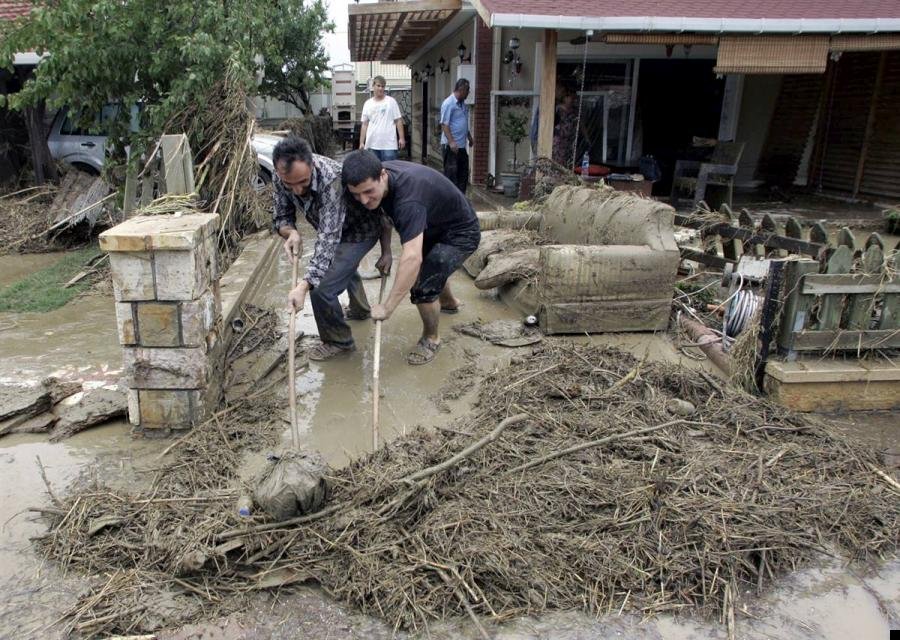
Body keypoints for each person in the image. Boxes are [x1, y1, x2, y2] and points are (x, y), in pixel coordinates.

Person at [341, 150, 481, 365]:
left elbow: (412, 258)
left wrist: (387, 307)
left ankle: (431, 338)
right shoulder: (373, 175)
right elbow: (384, 217)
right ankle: (450, 303)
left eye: (368, 192)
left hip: (460, 232)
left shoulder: (408, 200)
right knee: (432, 270)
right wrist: (387, 252)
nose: (364, 200)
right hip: (434, 224)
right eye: (356, 195)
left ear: (383, 175)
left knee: (422, 286)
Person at [274, 136, 392, 361]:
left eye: (304, 182)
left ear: (312, 164)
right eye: (290, 185)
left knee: (322, 288)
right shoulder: (280, 176)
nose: (297, 191)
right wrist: (291, 232)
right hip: (334, 230)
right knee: (341, 268)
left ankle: (339, 341)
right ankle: (360, 310)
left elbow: (328, 240)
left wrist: (304, 285)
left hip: (361, 231)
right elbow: (281, 216)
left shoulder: (331, 179)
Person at [359, 75, 405, 161]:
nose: (380, 88)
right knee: (374, 172)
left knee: (390, 171)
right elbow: (364, 124)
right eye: (378, 85)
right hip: (372, 144)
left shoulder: (391, 102)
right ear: (373, 86)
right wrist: (361, 142)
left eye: (383, 86)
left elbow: (398, 120)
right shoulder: (367, 104)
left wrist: (402, 138)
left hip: (389, 145)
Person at [439, 78, 473, 194]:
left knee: (463, 174)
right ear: (461, 89)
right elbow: (444, 124)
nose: (469, 92)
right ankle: (451, 201)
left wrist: (469, 136)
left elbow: (462, 122)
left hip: (461, 146)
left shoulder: (463, 104)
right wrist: (451, 141)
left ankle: (461, 200)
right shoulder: (449, 103)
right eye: (467, 90)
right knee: (451, 176)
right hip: (451, 147)